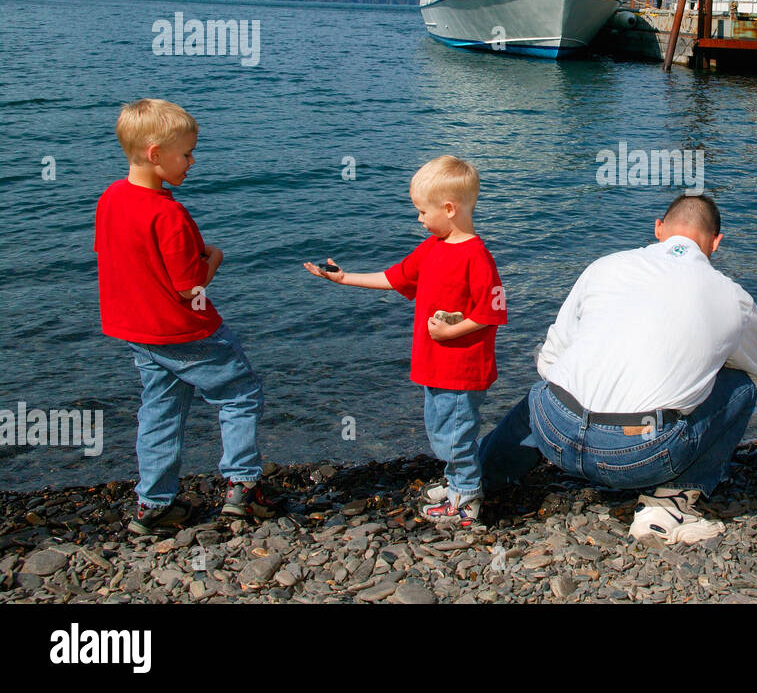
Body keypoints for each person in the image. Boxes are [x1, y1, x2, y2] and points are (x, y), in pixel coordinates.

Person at [480, 194, 757, 544]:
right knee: (741, 385)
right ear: (716, 242)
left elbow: (551, 356)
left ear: (658, 228)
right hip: (637, 456)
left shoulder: (605, 266)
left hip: (554, 436)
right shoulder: (737, 299)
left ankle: (475, 479)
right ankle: (669, 501)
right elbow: (750, 373)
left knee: (550, 386)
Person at [95, 99, 279, 536]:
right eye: (187, 154)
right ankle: (243, 488)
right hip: (186, 329)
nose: (192, 162)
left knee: (160, 410)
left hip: (139, 331)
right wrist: (213, 257)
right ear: (156, 153)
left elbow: (113, 258)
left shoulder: (111, 199)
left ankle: (153, 503)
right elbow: (189, 286)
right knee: (239, 394)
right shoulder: (168, 212)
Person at [304, 156, 507, 526]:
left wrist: (448, 332)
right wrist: (345, 278)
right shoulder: (432, 248)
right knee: (441, 429)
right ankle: (457, 481)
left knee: (454, 433)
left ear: (449, 208)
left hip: (462, 369)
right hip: (434, 364)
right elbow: (394, 278)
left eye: (422, 211)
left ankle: (466, 499)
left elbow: (490, 313)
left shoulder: (477, 257)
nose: (419, 219)